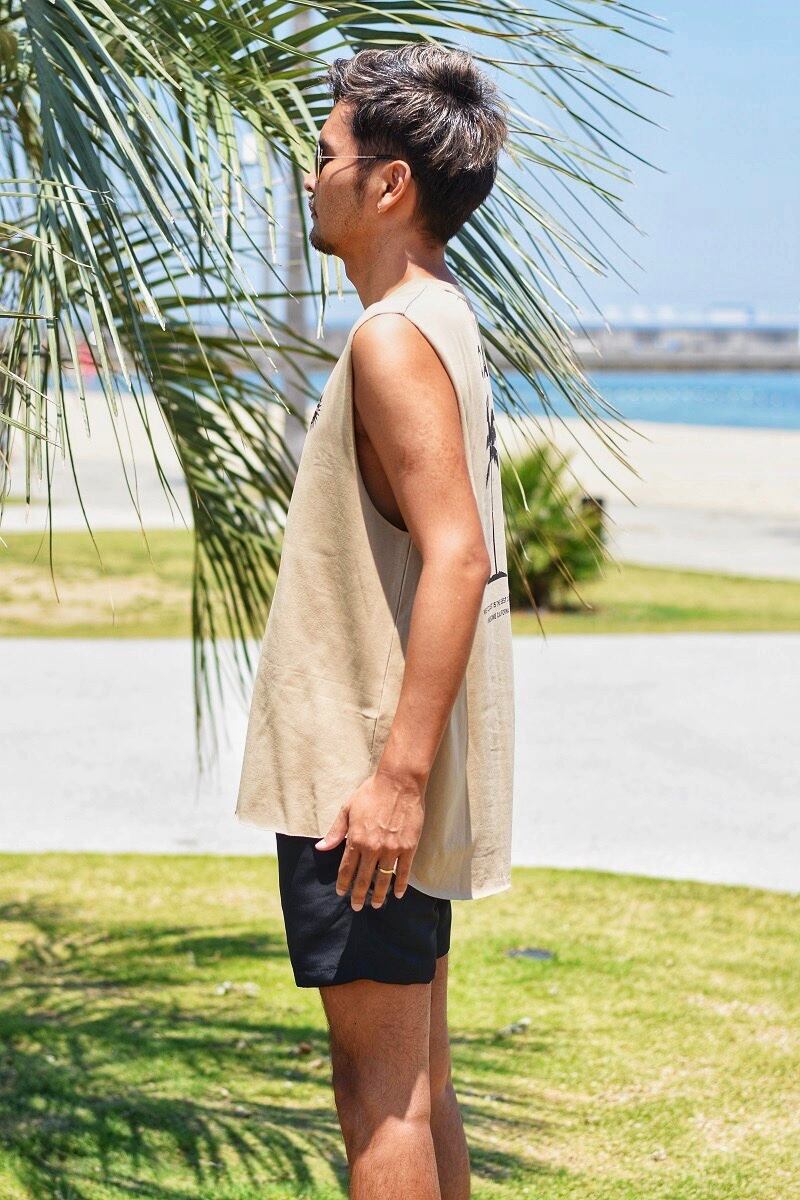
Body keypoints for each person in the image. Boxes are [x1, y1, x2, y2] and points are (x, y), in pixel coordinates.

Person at [236, 42, 515, 1200]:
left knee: (379, 1100)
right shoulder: (437, 316)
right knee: (416, 1087)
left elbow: (456, 554)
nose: (309, 177)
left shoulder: (392, 337)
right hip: (385, 773)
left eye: (323, 154)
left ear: (388, 183)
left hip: (362, 785)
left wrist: (394, 779)